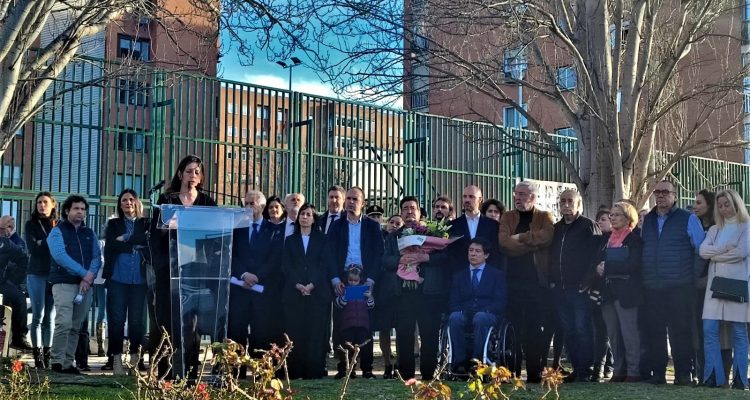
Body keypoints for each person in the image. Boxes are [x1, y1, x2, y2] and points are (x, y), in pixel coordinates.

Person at [149, 155, 217, 378]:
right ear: (180, 174)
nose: (193, 176)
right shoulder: (166, 200)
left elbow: (216, 235)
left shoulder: (207, 203)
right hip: (169, 272)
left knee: (192, 325)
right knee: (167, 324)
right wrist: (167, 227)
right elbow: (155, 237)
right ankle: (165, 375)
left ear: (201, 177)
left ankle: (190, 375)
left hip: (196, 273)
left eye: (197, 172)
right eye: (189, 171)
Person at [640, 180, 705, 385]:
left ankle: (683, 373)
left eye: (665, 192)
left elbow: (700, 249)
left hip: (680, 286)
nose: (660, 196)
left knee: (680, 331)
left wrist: (693, 276)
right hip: (653, 285)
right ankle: (658, 373)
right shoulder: (648, 220)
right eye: (657, 192)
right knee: (655, 330)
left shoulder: (688, 218)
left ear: (674, 196)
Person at [382, 196, 450, 380]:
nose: (409, 211)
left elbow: (445, 257)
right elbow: (385, 260)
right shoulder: (393, 236)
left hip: (428, 292)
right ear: (401, 213)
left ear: (420, 212)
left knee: (429, 334)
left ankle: (428, 373)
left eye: (413, 208)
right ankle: (407, 374)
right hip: (403, 293)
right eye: (405, 208)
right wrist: (400, 259)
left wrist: (426, 258)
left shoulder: (432, 233)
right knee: (404, 334)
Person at [498, 181, 554, 383]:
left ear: (533, 197)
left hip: (536, 283)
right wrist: (532, 244)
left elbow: (546, 237)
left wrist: (520, 237)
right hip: (512, 282)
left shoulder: (544, 217)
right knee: (513, 326)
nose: (518, 197)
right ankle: (511, 372)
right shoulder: (507, 217)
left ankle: (533, 372)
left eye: (522, 194)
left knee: (534, 328)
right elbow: (504, 243)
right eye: (516, 193)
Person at [326, 187, 384, 379]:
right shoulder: (336, 225)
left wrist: (371, 280)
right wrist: (335, 279)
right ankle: (344, 367)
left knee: (365, 324)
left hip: (364, 278)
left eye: (355, 199)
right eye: (349, 198)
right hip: (343, 280)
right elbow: (329, 254)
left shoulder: (372, 226)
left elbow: (378, 254)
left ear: (363, 203)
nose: (351, 202)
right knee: (342, 323)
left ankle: (367, 368)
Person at [547, 190, 602, 383]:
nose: (566, 204)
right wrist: (552, 281)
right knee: (568, 330)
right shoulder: (556, 228)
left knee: (582, 329)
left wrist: (587, 281)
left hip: (579, 289)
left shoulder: (589, 226)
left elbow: (596, 256)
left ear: (579, 204)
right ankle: (576, 368)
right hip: (560, 289)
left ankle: (586, 370)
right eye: (562, 201)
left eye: (570, 201)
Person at [699, 189, 750, 389]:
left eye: (727, 204)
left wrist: (715, 255)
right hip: (714, 287)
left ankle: (740, 379)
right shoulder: (714, 230)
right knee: (709, 329)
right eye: (720, 206)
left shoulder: (746, 227)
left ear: (736, 204)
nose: (723, 209)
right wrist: (723, 250)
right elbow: (703, 251)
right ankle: (713, 376)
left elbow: (741, 252)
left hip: (736, 284)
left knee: (739, 332)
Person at [47, 195, 102, 374]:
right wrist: (84, 274)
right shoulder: (57, 231)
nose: (80, 212)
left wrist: (88, 278)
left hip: (85, 287)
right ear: (67, 211)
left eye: (83, 209)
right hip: (63, 283)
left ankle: (67, 363)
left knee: (76, 326)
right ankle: (56, 362)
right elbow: (60, 256)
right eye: (76, 208)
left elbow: (97, 257)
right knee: (63, 323)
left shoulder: (89, 233)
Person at [229, 190, 284, 359]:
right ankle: (236, 368)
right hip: (240, 290)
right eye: (245, 203)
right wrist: (244, 274)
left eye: (251, 203)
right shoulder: (237, 228)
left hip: (262, 291)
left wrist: (257, 277)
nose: (247, 207)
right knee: (236, 333)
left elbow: (275, 259)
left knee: (261, 335)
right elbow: (232, 254)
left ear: (262, 206)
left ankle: (259, 368)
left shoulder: (274, 230)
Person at [596, 201, 643, 383]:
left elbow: (632, 265)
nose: (612, 218)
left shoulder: (634, 239)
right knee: (613, 334)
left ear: (628, 218)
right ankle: (618, 370)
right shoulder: (607, 240)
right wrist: (598, 267)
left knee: (629, 334)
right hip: (608, 293)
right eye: (611, 215)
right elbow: (599, 260)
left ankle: (633, 371)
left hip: (627, 294)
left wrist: (608, 267)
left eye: (617, 215)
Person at [282, 203, 330, 379]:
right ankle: (296, 370)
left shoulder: (323, 239)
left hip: (317, 293)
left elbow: (324, 265)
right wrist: (297, 284)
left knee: (315, 331)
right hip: (294, 293)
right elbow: (286, 265)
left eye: (308, 214)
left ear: (313, 219)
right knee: (296, 331)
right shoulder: (290, 240)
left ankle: (314, 370)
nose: (304, 217)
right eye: (302, 214)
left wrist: (312, 284)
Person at [104, 189, 150, 375]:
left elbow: (146, 241)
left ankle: (135, 360)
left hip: (139, 280)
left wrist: (126, 238)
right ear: (120, 204)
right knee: (116, 320)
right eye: (124, 200)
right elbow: (111, 245)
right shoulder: (113, 224)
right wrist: (134, 245)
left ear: (137, 202)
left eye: (131, 199)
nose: (128, 203)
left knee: (137, 322)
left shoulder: (145, 223)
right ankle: (116, 360)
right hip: (117, 279)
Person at [447, 238, 507, 374]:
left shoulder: (497, 275)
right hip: (465, 312)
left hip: (487, 313)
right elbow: (453, 301)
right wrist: (458, 311)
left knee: (481, 318)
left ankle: (477, 361)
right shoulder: (459, 276)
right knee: (454, 318)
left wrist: (486, 310)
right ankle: (460, 361)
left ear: (486, 255)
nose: (473, 254)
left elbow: (500, 301)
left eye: (478, 251)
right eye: (471, 250)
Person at [25, 191, 57, 368]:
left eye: (45, 202)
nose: (42, 205)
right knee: (38, 315)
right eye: (39, 202)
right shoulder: (30, 224)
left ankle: (47, 356)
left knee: (50, 318)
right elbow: (32, 249)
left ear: (53, 205)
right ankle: (38, 359)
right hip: (36, 273)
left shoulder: (58, 225)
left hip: (53, 275)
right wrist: (48, 243)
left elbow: (60, 248)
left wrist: (42, 242)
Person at [692, 189, 719, 384]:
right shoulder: (693, 224)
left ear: (709, 205)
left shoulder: (717, 229)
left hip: (712, 285)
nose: (695, 206)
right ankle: (701, 371)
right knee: (698, 331)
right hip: (695, 285)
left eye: (699, 203)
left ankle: (715, 373)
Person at [333, 266, 375, 379]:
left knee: (365, 348)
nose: (352, 282)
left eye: (355, 280)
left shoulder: (365, 290)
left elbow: (371, 305)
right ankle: (346, 370)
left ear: (360, 280)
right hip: (347, 325)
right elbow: (338, 304)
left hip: (362, 324)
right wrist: (345, 297)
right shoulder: (343, 290)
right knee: (347, 348)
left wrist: (369, 297)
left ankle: (367, 370)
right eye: (350, 280)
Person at [375, 214, 404, 378]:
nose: (394, 225)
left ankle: (399, 363)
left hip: (400, 290)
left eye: (398, 223)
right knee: (384, 329)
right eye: (391, 222)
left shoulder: (404, 240)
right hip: (383, 290)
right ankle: (387, 363)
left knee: (400, 329)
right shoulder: (380, 239)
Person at [450, 185, 501, 269]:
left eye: (471, 197)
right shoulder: (453, 225)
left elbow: (495, 252)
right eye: (465, 196)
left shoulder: (493, 225)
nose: (467, 200)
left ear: (480, 199)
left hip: (487, 272)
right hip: (460, 272)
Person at [0, 230, 31, 352]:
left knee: (19, 297)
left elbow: (23, 258)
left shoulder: (4, 243)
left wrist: (14, 280)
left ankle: (19, 338)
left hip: (1, 284)